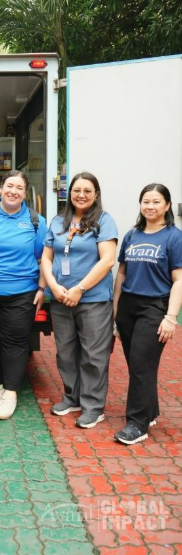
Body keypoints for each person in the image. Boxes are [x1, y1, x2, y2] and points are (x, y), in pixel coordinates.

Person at [0, 170, 48, 420]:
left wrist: (42, 289)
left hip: (21, 291)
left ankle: (11, 393)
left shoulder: (36, 221)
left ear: (25, 193)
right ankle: (2, 384)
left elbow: (44, 257)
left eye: (19, 188)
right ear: (0, 188)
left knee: (14, 342)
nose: (13, 191)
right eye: (9, 186)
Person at [42, 172, 117, 429]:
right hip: (61, 299)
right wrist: (53, 286)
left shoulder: (103, 221)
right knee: (65, 353)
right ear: (69, 193)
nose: (81, 195)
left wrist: (79, 289)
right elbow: (47, 258)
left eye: (87, 190)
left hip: (93, 299)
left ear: (96, 194)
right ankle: (72, 397)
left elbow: (107, 260)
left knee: (93, 355)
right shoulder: (57, 221)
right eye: (76, 190)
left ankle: (93, 407)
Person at [113, 184, 182, 444]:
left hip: (155, 307)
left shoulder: (174, 237)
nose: (149, 206)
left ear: (166, 205)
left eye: (155, 202)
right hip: (128, 306)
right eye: (145, 201)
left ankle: (138, 424)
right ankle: (150, 410)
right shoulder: (132, 235)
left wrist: (170, 317)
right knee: (137, 364)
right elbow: (121, 274)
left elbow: (179, 280)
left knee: (142, 364)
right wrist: (116, 312)